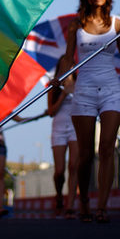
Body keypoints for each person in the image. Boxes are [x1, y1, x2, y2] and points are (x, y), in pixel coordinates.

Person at [55, 0, 120, 223]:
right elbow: (67, 58)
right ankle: (84, 200)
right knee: (84, 155)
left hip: (110, 90)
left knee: (106, 147)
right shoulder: (76, 24)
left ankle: (102, 207)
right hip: (83, 91)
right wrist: (62, 78)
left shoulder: (118, 24)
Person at [47, 57, 79, 218]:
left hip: (75, 127)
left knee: (73, 166)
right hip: (58, 128)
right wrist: (63, 95)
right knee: (59, 170)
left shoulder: (80, 85)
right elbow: (51, 111)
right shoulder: (53, 86)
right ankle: (59, 194)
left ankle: (70, 204)